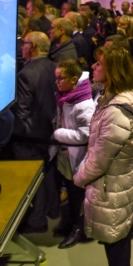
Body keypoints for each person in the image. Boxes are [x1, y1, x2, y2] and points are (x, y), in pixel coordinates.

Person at [73, 46, 133, 266]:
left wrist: (79, 178)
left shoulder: (116, 111)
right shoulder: (111, 99)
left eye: (99, 64)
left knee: (116, 239)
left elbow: (99, 162)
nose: (93, 67)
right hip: (115, 183)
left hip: (111, 185)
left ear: (113, 71)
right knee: (115, 237)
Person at [13, 32, 58, 233]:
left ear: (33, 47)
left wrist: (17, 135)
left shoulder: (25, 74)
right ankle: (53, 210)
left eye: (24, 43)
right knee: (47, 174)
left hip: (29, 138)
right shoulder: (54, 66)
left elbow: (22, 111)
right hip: (49, 132)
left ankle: (38, 220)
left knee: (34, 180)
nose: (22, 47)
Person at [50, 59, 94, 249]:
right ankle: (69, 224)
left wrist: (59, 134)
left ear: (74, 79)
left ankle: (78, 229)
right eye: (56, 78)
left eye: (61, 78)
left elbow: (85, 135)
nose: (57, 82)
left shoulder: (84, 104)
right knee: (69, 191)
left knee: (77, 196)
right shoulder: (66, 95)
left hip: (77, 156)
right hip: (65, 155)